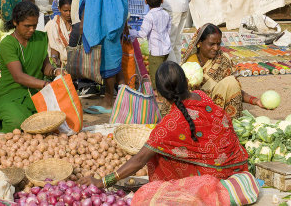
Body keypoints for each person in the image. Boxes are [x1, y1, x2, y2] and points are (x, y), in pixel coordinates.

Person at [80, 61, 249, 189]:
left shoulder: (170, 125)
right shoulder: (201, 96)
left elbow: (139, 160)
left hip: (211, 181)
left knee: (159, 154)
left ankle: (171, 187)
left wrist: (102, 182)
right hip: (236, 169)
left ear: (160, 95)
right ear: (186, 82)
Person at [0, 2, 65, 133]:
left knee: (55, 121)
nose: (32, 29)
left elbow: (45, 66)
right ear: (15, 22)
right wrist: (45, 84)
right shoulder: (7, 44)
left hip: (36, 93)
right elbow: (18, 76)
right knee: (17, 123)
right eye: (27, 26)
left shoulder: (40, 38)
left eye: (34, 25)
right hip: (10, 94)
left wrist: (55, 71)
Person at [181, 23, 267, 118]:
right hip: (195, 111)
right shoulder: (189, 65)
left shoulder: (223, 59)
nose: (216, 48)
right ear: (199, 43)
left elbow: (233, 88)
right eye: (212, 44)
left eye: (218, 44)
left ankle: (230, 124)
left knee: (231, 81)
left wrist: (255, 101)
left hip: (218, 111)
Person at [129, 0, 171, 90]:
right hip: (166, 50)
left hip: (156, 52)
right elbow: (168, 30)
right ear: (162, 0)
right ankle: (165, 93)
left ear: (145, 2)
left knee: (156, 77)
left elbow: (142, 33)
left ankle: (159, 97)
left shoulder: (149, 16)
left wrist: (132, 32)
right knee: (164, 74)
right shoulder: (166, 14)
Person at [45, 0, 73, 67]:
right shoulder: (52, 25)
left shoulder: (76, 24)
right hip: (60, 63)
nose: (68, 14)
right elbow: (53, 45)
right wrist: (55, 57)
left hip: (75, 61)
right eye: (65, 11)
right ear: (59, 9)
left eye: (71, 10)